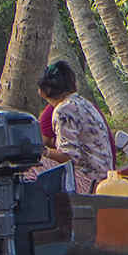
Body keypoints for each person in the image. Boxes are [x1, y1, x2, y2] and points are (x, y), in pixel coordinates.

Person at [33, 61, 115, 194]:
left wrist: (43, 152)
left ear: (44, 91)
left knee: (30, 169)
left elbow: (69, 157)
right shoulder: (82, 102)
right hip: (104, 177)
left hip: (90, 183)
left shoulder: (63, 110)